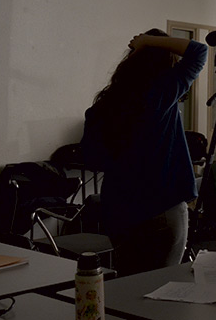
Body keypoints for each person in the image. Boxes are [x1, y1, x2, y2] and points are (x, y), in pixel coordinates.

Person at [80, 29, 207, 276]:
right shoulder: (162, 91)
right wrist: (148, 40)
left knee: (129, 285)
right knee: (159, 286)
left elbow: (92, 158)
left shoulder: (105, 105)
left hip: (119, 210)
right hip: (162, 207)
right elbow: (199, 52)